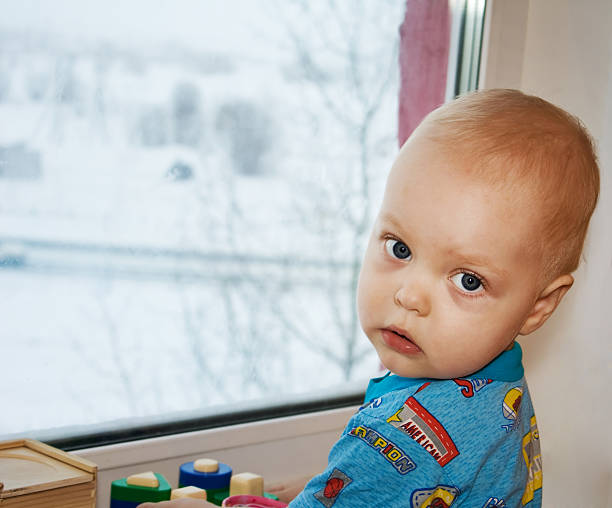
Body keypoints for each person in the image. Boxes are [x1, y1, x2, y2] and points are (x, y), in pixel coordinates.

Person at [138, 88, 600, 508]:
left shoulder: (401, 439)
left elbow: (408, 464)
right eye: (400, 249)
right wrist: (334, 487)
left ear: (539, 306)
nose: (410, 295)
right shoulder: (499, 391)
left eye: (468, 281)